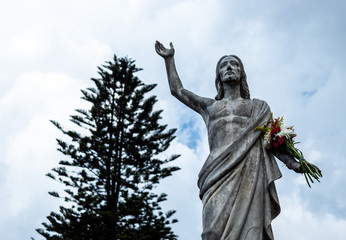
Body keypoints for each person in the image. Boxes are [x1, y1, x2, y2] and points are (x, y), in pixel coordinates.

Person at [155, 41, 302, 240]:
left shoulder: (257, 108)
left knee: (251, 233)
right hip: (216, 174)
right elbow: (178, 90)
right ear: (218, 77)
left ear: (242, 74)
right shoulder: (209, 107)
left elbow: (271, 141)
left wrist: (292, 162)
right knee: (211, 233)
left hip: (249, 175)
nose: (230, 67)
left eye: (235, 64)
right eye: (224, 65)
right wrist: (169, 59)